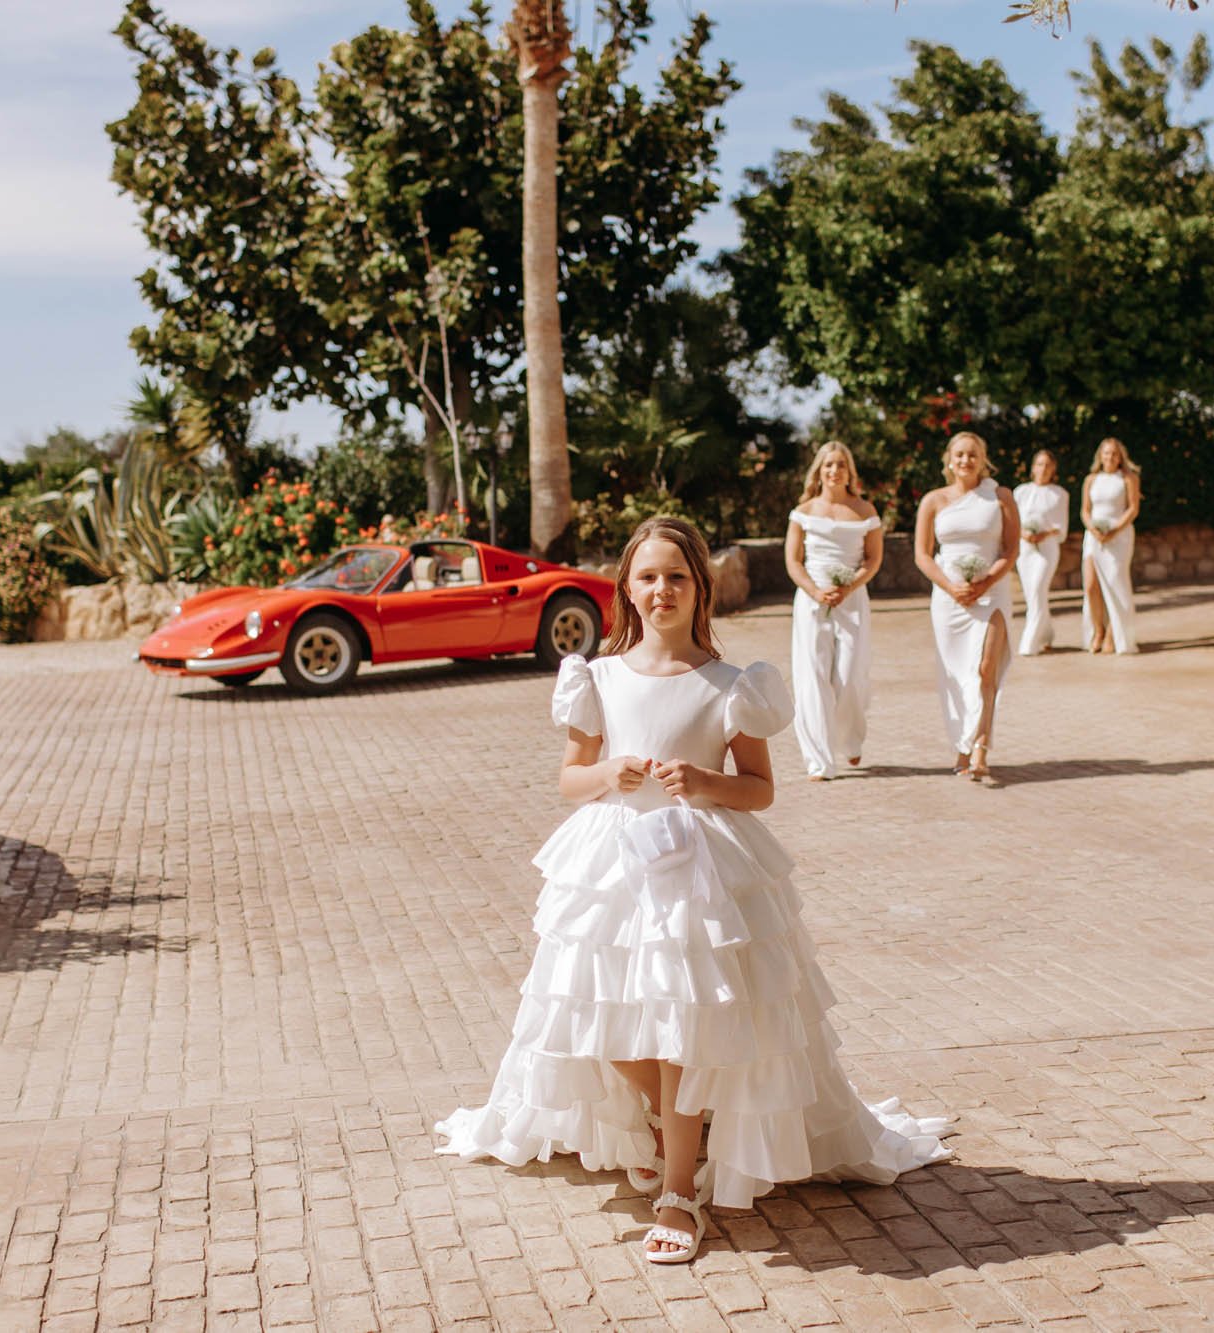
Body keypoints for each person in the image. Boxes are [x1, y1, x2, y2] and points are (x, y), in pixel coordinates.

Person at [435, 517, 953, 1265]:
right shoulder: (600, 678)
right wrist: (607, 776)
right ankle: (673, 1120)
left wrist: (707, 782)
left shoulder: (731, 686)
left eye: (676, 576)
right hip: (612, 869)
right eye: (647, 576)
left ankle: (680, 1187)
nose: (661, 589)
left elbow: (760, 789)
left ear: (699, 588)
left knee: (679, 1026)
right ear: (627, 589)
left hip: (697, 871)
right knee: (596, 1019)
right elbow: (570, 778)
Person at [913, 432, 1020, 785]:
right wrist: (951, 587)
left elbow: (1010, 550)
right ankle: (962, 743)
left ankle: (981, 747)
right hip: (948, 600)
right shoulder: (933, 500)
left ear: (983, 459)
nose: (965, 461)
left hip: (991, 593)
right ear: (948, 459)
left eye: (972, 455)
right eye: (959, 455)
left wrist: (984, 583)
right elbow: (923, 554)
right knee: (956, 674)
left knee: (985, 668)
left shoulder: (1001, 496)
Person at [785, 443, 884, 781]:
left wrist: (849, 587)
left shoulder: (865, 510)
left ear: (849, 472)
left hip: (852, 599)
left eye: (841, 464)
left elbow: (873, 560)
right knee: (812, 676)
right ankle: (819, 761)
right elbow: (793, 560)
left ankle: (850, 739)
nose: (834, 470)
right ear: (819, 470)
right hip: (812, 600)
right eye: (828, 465)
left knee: (849, 674)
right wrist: (815, 591)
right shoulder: (804, 511)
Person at [1080, 438, 1141, 655]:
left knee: (1116, 583)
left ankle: (1113, 634)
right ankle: (1098, 630)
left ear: (1120, 456)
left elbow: (1133, 509)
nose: (1110, 457)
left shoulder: (1128, 478)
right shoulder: (1091, 479)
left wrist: (1114, 530)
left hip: (1119, 536)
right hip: (1093, 537)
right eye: (1106, 453)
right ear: (1100, 455)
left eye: (1114, 453)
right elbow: (1085, 510)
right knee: (1090, 585)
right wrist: (1094, 529)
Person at [1011, 450, 1070, 657]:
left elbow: (1062, 527)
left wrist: (1043, 533)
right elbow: (1012, 521)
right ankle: (1047, 634)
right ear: (1033, 467)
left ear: (1053, 469)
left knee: (1037, 589)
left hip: (1047, 547)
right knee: (1033, 595)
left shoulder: (1060, 494)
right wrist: (1024, 534)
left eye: (1047, 465)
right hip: (1024, 548)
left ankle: (1029, 642)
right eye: (1039, 464)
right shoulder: (1021, 492)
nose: (1043, 469)